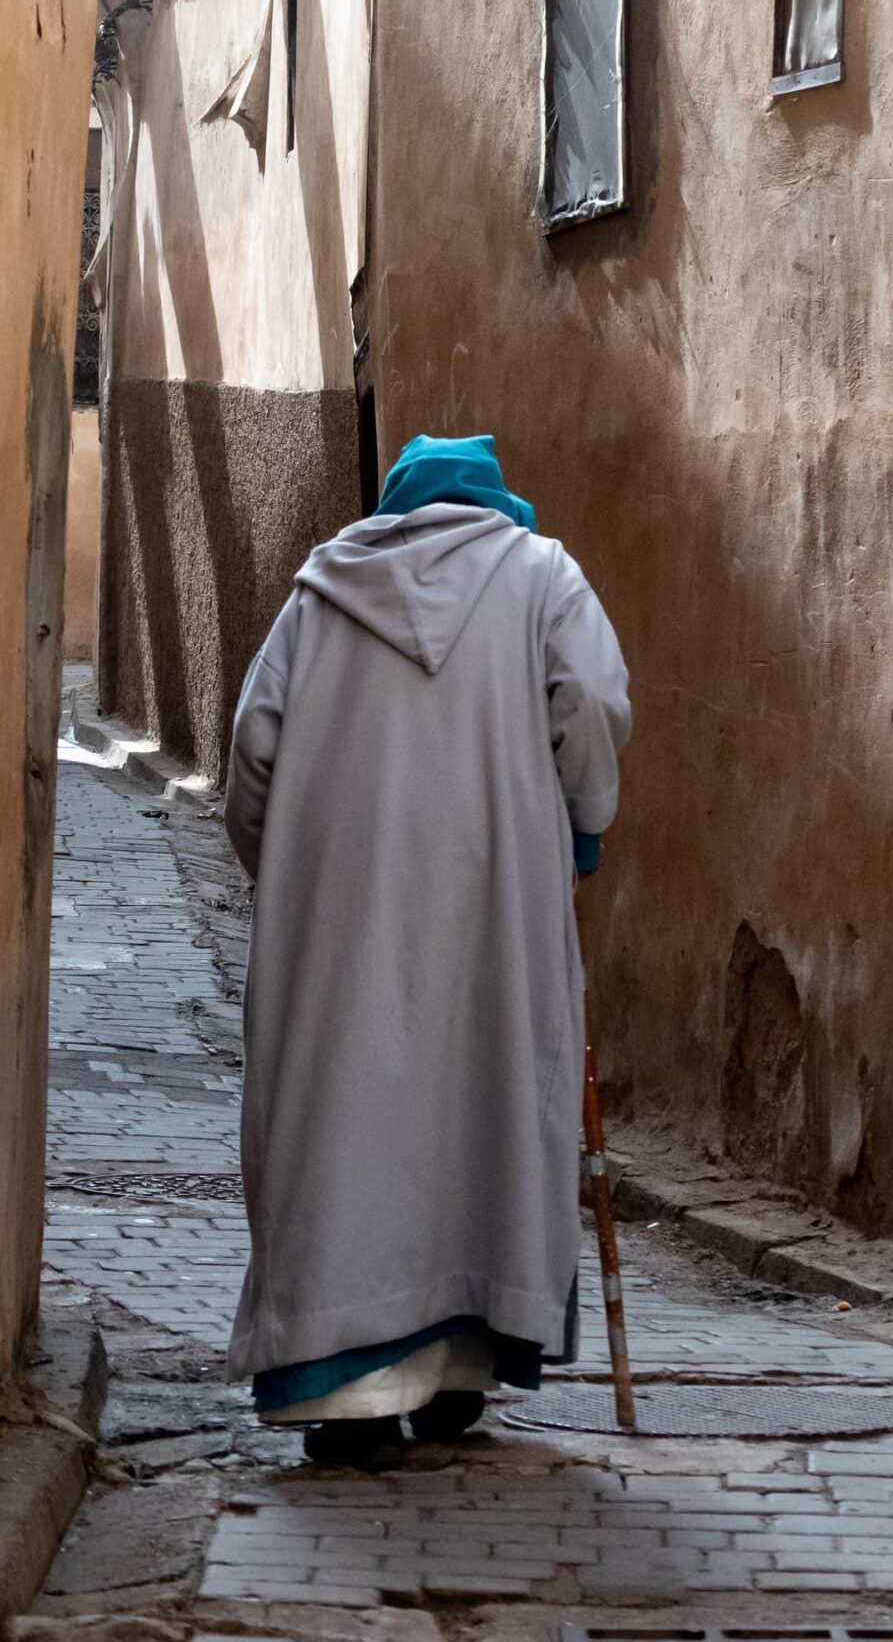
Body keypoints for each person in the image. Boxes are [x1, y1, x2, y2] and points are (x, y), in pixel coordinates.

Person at [223, 431, 631, 1468]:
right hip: (499, 891)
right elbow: (587, 700)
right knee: (487, 1103)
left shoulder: (321, 595)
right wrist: (581, 821)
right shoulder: (543, 575)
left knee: (345, 1110)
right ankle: (460, 1367)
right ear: (500, 506)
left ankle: (350, 1386)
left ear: (394, 510)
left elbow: (253, 747)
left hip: (346, 905)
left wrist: (289, 870)